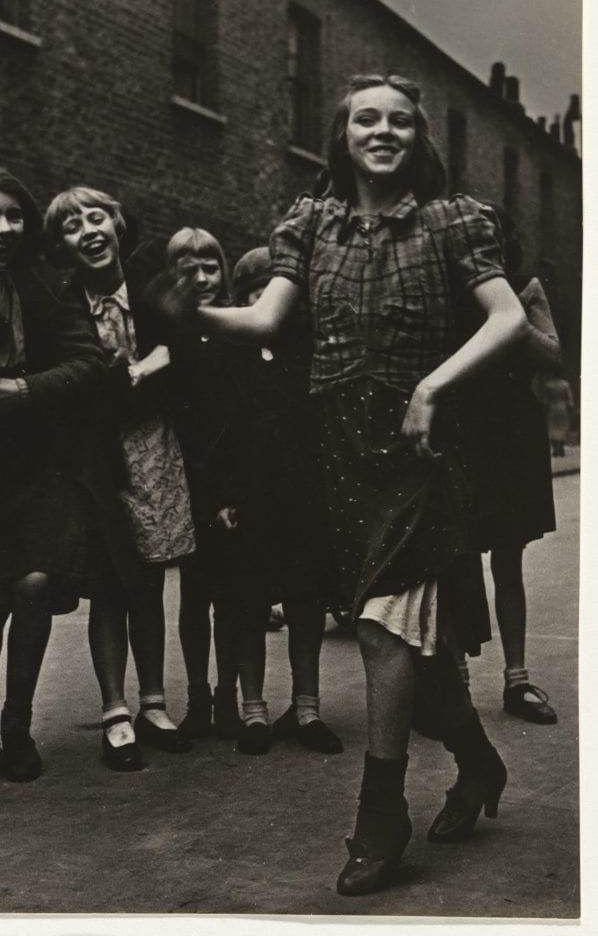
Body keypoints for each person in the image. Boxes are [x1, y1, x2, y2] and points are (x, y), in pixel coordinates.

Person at [175, 74, 527, 895]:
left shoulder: (454, 221)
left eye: (401, 121)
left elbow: (508, 318)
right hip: (334, 448)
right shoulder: (309, 225)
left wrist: (433, 388)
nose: (384, 130)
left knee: (379, 632)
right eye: (367, 118)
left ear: (418, 139)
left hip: (421, 448)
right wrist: (188, 316)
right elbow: (264, 320)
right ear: (342, 136)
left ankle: (381, 816)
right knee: (420, 664)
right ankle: (478, 766)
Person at [0, 165, 107, 781]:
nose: (5, 227)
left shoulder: (43, 284)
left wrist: (27, 389)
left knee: (35, 584)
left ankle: (17, 722)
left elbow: (89, 361)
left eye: (15, 215)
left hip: (40, 464)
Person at [44, 186, 195, 770]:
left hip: (156, 444)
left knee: (151, 578)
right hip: (99, 454)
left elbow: (188, 353)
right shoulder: (63, 307)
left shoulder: (152, 289)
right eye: (72, 225)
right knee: (110, 582)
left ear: (117, 224)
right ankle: (113, 709)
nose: (89, 229)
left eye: (96, 216)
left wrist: (154, 365)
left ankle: (154, 703)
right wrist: (130, 376)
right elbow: (78, 386)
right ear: (60, 247)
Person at [229, 246, 343, 757]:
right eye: (258, 297)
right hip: (252, 499)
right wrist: (224, 495)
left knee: (304, 604)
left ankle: (306, 708)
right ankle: (252, 710)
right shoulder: (232, 357)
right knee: (250, 605)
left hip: (303, 499)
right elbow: (220, 434)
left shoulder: (310, 358)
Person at [458, 206, 560, 724]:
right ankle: (456, 683)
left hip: (510, 433)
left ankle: (517, 680)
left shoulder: (524, 286)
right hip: (461, 430)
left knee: (507, 559)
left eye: (492, 238)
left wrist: (512, 317)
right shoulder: (452, 288)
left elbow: (553, 353)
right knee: (454, 559)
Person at [164, 228, 245, 743]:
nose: (200, 278)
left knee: (232, 599)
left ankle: (230, 698)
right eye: (187, 269)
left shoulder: (239, 331)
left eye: (210, 268)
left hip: (232, 483)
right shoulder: (167, 335)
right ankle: (198, 697)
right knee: (194, 597)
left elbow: (245, 419)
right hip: (185, 480)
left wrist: (232, 493)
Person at [538, 371, 575, 457]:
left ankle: (555, 448)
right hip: (563, 407)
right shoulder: (565, 384)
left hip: (552, 407)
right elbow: (569, 398)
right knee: (562, 427)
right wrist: (570, 407)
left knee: (552, 427)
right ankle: (561, 446)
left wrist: (545, 408)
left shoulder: (548, 385)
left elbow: (545, 399)